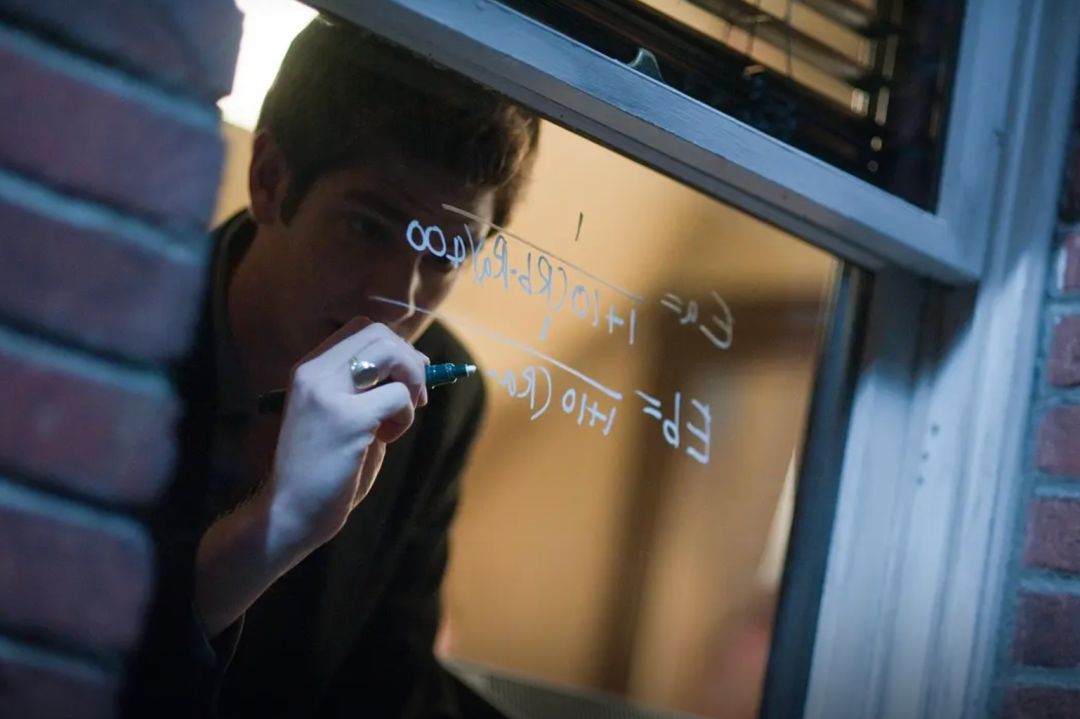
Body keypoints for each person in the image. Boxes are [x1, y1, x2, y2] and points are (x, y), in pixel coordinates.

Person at [123, 14, 540, 719]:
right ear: (269, 179)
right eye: (367, 227)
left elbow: (388, 683)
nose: (400, 299)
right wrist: (272, 527)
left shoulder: (443, 390)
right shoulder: (116, 329)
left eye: (445, 254)